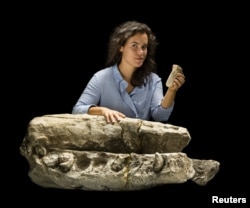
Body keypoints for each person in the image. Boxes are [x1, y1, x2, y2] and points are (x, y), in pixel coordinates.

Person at [72, 21, 185, 124]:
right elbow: (77, 110)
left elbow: (160, 116)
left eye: (144, 47)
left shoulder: (153, 80)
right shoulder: (101, 78)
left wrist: (171, 90)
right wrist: (102, 111)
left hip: (140, 144)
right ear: (121, 47)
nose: (140, 52)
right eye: (134, 46)